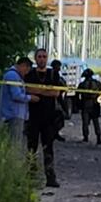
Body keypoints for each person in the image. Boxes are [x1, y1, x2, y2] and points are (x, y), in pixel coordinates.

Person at [25, 48, 65, 187]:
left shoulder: (53, 74)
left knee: (48, 148)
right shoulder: (30, 74)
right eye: (39, 57)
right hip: (33, 117)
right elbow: (28, 89)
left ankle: (50, 177)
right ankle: (31, 176)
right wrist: (46, 90)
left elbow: (56, 93)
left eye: (44, 56)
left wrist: (40, 91)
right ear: (35, 59)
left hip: (49, 118)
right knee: (32, 148)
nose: (42, 59)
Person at [0, 56, 39, 149]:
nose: (26, 74)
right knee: (15, 143)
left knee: (13, 141)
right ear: (23, 66)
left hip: (14, 114)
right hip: (13, 114)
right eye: (26, 70)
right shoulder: (13, 76)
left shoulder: (14, 75)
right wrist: (30, 98)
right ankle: (13, 161)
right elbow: (16, 95)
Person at [76, 68, 101, 145]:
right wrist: (96, 96)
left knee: (85, 123)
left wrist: (79, 103)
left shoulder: (82, 84)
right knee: (96, 122)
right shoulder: (97, 83)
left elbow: (77, 94)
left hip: (85, 105)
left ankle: (86, 137)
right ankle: (98, 138)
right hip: (94, 103)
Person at [50, 59, 67, 142]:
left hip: (55, 98)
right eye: (58, 66)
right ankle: (53, 134)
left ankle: (55, 134)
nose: (59, 68)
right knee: (57, 118)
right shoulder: (53, 75)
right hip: (54, 99)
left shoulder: (54, 74)